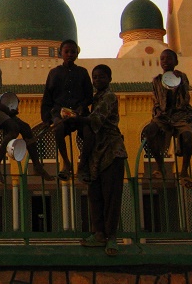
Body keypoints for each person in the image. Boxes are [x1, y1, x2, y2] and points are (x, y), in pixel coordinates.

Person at [0, 33, 54, 182]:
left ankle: (36, 166)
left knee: (27, 128)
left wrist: (8, 108)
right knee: (13, 129)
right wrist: (2, 108)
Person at [76, 64, 127, 256]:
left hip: (112, 151)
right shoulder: (95, 98)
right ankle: (98, 234)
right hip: (97, 152)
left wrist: (72, 118)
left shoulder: (109, 97)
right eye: (94, 77)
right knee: (95, 195)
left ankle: (111, 237)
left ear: (110, 79)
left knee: (111, 197)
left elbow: (94, 120)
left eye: (101, 77)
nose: (97, 80)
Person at [142, 48, 192, 187]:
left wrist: (180, 83)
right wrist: (158, 113)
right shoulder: (157, 80)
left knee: (187, 137)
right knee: (149, 132)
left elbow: (185, 98)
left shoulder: (182, 77)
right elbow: (157, 100)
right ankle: (160, 167)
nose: (165, 61)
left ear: (176, 61)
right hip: (164, 116)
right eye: (162, 59)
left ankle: (184, 172)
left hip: (181, 115)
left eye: (169, 59)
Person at [41, 39, 93, 181]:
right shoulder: (54, 73)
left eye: (73, 52)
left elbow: (89, 96)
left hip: (78, 114)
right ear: (61, 53)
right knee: (58, 129)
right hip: (60, 113)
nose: (70, 54)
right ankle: (66, 162)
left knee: (89, 131)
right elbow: (47, 98)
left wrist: (81, 107)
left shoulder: (82, 73)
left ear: (77, 53)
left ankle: (83, 165)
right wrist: (46, 119)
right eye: (67, 51)